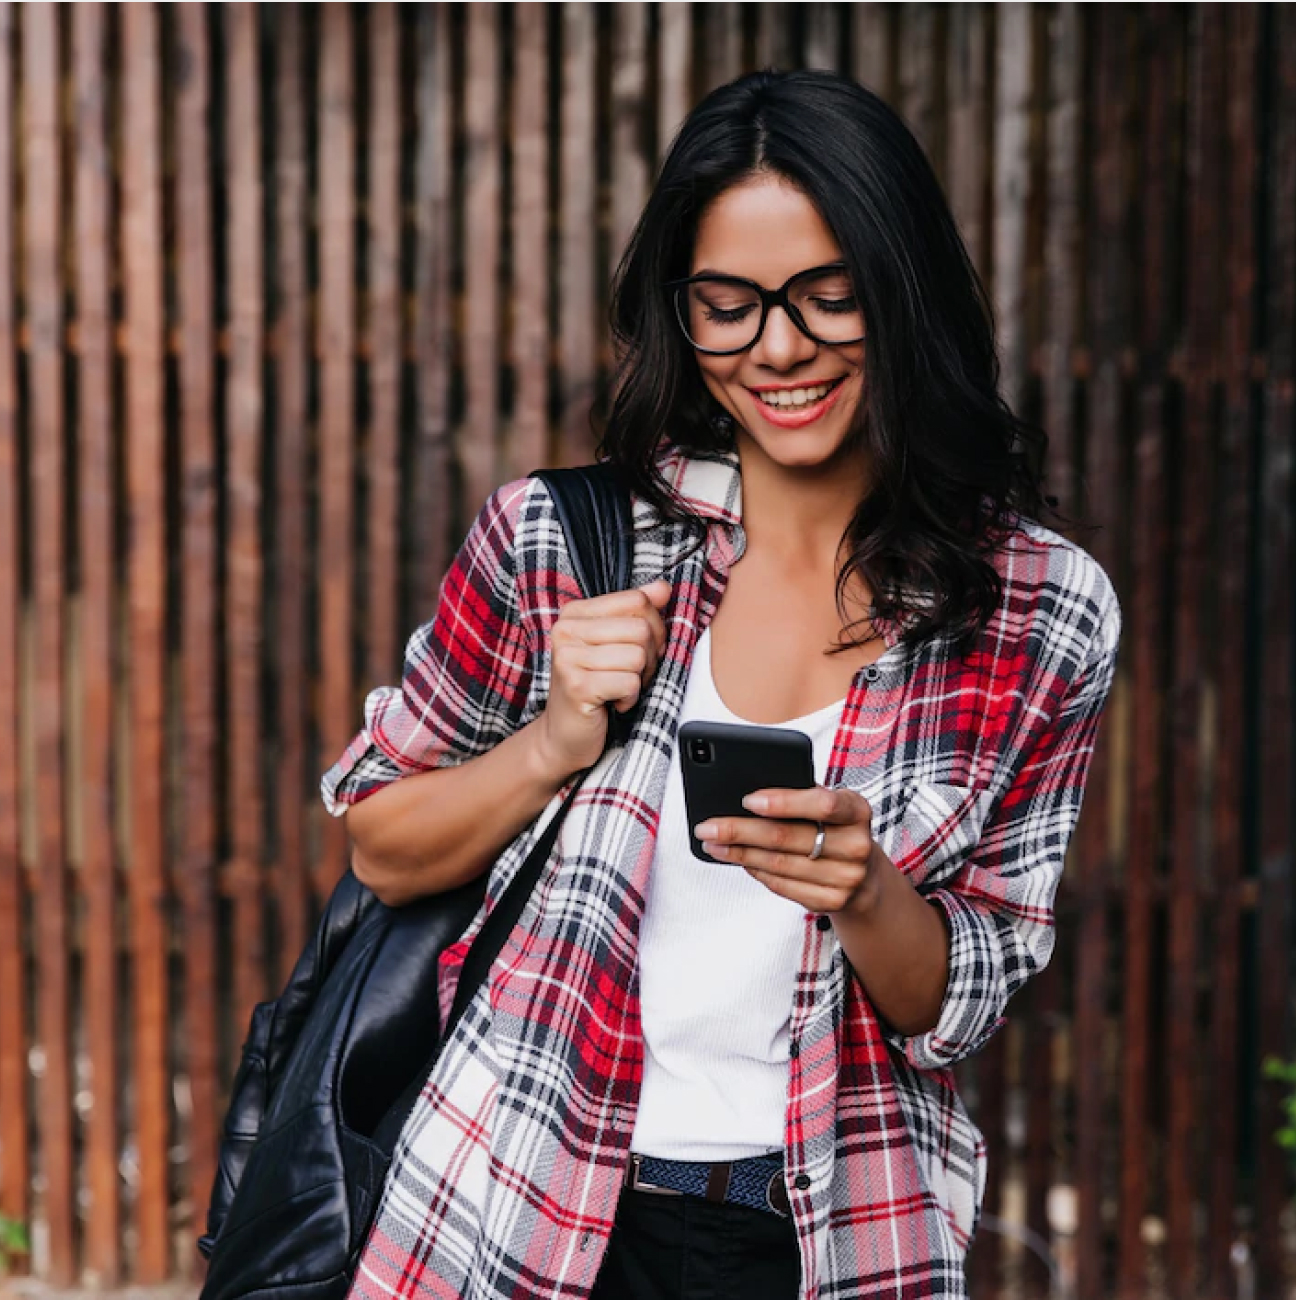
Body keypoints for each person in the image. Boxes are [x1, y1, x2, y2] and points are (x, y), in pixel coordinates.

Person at [321, 69, 1119, 1300]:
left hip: (837, 1236)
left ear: (902, 293)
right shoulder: (560, 540)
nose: (779, 347)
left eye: (828, 296)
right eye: (729, 304)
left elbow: (963, 994)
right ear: (679, 312)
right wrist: (551, 740)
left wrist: (866, 892)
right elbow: (380, 841)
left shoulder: (1040, 607)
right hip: (517, 1210)